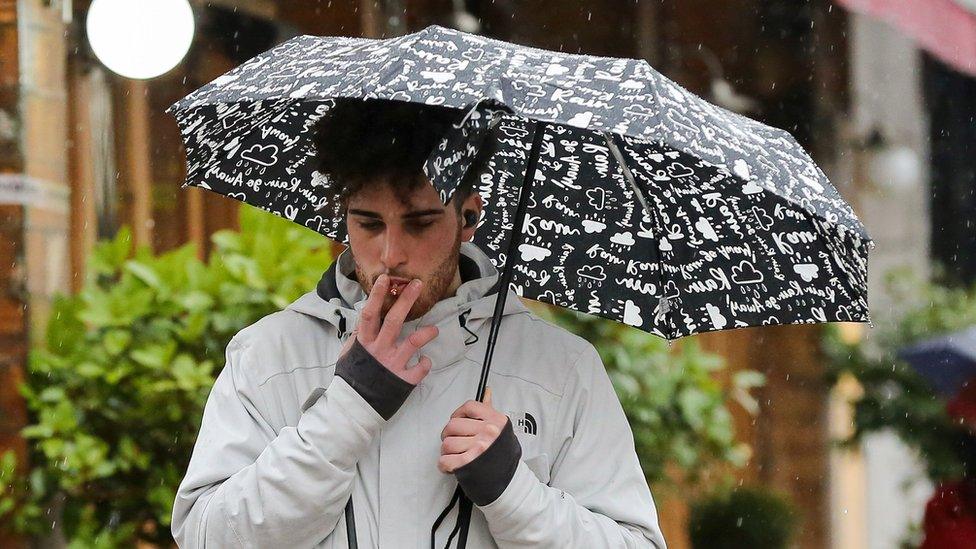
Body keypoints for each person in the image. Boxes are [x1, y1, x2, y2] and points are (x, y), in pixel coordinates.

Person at [171, 98, 667, 548]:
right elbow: (206, 538)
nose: (391, 255)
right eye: (368, 223)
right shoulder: (268, 355)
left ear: (468, 216)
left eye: (420, 223)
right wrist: (343, 415)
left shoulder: (560, 368)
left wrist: (514, 492)